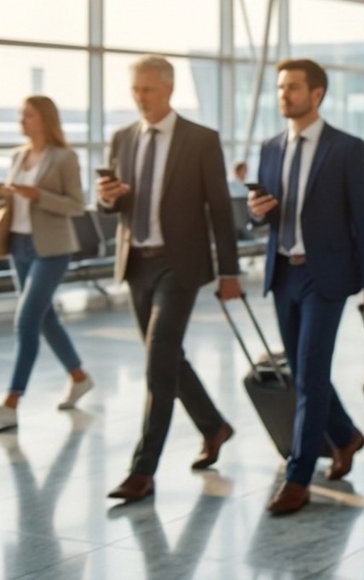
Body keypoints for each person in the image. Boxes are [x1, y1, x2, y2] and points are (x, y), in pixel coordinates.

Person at [243, 58, 364, 515]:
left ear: (317, 94)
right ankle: (346, 436)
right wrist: (256, 210)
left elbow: (363, 219)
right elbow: (261, 213)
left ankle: (298, 476)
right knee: (307, 373)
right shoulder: (269, 147)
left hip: (326, 276)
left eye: (294, 87)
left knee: (307, 371)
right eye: (281, 87)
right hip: (283, 272)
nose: (284, 94)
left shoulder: (346, 147)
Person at [96, 55, 240, 503]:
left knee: (158, 357)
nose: (141, 98)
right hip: (137, 261)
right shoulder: (122, 139)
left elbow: (219, 208)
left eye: (149, 90)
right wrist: (106, 199)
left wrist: (230, 271)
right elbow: (112, 205)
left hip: (180, 264)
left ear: (169, 90)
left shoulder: (200, 140)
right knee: (168, 358)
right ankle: (214, 426)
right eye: (136, 90)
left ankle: (143, 470)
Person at [0, 96, 93, 434]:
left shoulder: (64, 157)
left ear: (45, 119)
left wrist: (38, 195)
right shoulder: (18, 155)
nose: (21, 120)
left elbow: (77, 205)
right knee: (45, 318)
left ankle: (11, 402)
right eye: (21, 114)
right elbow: (15, 200)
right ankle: (79, 377)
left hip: (51, 249)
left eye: (28, 114)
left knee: (26, 322)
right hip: (19, 245)